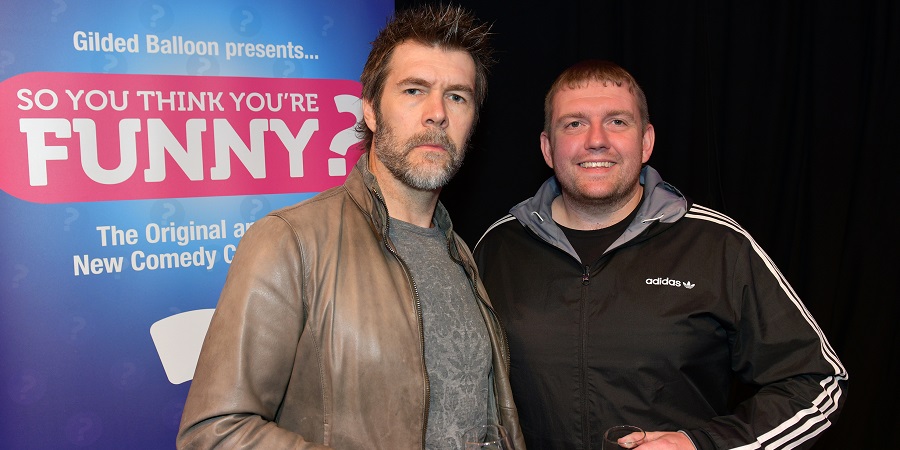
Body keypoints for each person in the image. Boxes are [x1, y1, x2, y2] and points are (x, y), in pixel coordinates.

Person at [177, 5, 525, 449]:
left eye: (458, 96)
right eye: (414, 90)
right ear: (372, 112)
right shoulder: (290, 242)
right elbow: (214, 432)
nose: (437, 113)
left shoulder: (460, 252)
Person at [474, 60, 847, 450]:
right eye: (574, 124)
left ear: (646, 142)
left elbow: (817, 381)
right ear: (548, 148)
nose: (596, 140)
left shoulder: (716, 245)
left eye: (617, 121)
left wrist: (701, 444)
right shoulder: (497, 248)